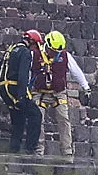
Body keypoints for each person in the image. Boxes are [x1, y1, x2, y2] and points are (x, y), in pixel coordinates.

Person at [33, 30, 91, 160]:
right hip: (39, 92)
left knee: (64, 119)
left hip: (58, 93)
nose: (56, 54)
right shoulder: (35, 54)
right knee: (37, 120)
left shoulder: (65, 56)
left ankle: (67, 152)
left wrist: (86, 87)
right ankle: (38, 151)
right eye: (53, 51)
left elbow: (76, 71)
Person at [0, 29, 44, 155]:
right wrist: (22, 95)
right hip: (15, 89)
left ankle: (14, 148)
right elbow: (23, 75)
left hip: (4, 89)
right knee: (35, 115)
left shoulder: (11, 49)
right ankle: (30, 148)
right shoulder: (25, 52)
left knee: (18, 118)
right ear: (32, 42)